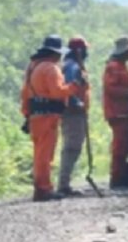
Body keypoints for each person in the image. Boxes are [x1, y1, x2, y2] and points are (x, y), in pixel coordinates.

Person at [20, 35, 83, 202]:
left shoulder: (33, 68)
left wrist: (26, 114)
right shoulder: (51, 68)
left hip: (35, 117)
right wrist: (74, 87)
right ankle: (44, 189)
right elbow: (57, 92)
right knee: (45, 156)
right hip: (48, 117)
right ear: (55, 53)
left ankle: (41, 188)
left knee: (39, 154)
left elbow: (25, 94)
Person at [103, 36, 128, 189]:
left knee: (126, 144)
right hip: (117, 112)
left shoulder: (122, 66)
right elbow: (110, 89)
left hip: (125, 111)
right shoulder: (114, 66)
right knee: (120, 145)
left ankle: (123, 177)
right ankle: (116, 178)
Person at [57, 37, 90, 197]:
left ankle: (64, 183)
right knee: (72, 147)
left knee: (71, 146)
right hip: (73, 112)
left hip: (73, 112)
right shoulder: (72, 67)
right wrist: (77, 103)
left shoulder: (70, 65)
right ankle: (63, 184)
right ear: (79, 51)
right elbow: (69, 88)